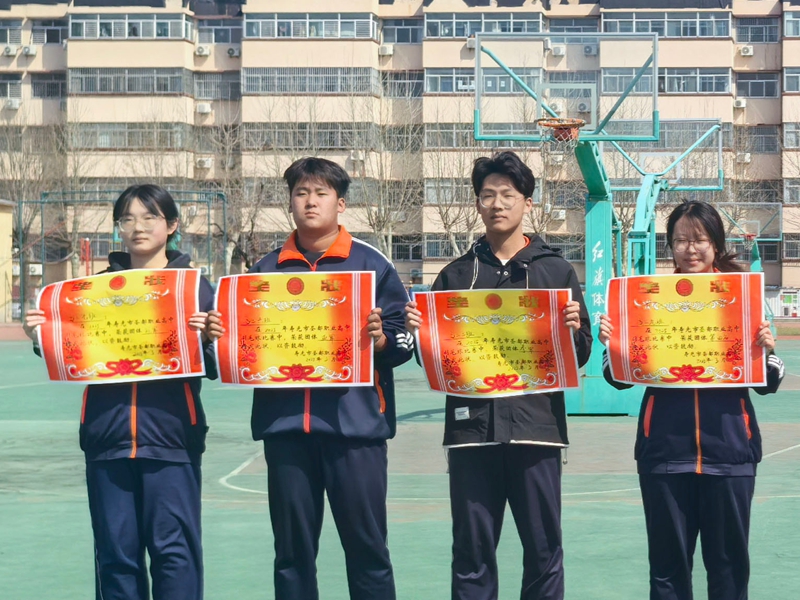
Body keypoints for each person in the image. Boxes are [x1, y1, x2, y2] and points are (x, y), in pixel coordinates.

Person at [207, 157, 414, 600]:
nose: (310, 202)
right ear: (290, 203)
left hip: (355, 431)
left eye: (321, 193)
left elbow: (402, 341)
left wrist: (380, 339)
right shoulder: (264, 272)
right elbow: (237, 349)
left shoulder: (371, 265)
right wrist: (218, 338)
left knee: (368, 550)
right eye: (301, 193)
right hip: (286, 432)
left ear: (341, 203)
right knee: (291, 554)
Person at [405, 150, 592, 600]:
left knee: (543, 550)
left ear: (527, 201)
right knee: (471, 550)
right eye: (488, 195)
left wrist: (572, 331)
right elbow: (436, 364)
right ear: (477, 203)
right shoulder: (455, 276)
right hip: (472, 434)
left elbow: (581, 353)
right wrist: (421, 335)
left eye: (508, 194)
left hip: (537, 431)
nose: (497, 204)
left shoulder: (556, 271)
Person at [23, 184, 217, 600]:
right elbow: (70, 353)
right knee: (115, 555)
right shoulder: (91, 292)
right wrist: (40, 335)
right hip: (106, 439)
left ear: (172, 225)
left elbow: (216, 365)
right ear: (118, 228)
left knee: (175, 554)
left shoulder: (194, 289)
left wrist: (208, 340)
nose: (137, 227)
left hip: (170, 440)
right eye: (127, 219)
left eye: (149, 217)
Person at [597, 200, 785, 600]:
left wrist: (766, 351)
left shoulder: (742, 297)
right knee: (667, 571)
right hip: (665, 453)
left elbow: (768, 381)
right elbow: (618, 379)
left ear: (716, 244)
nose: (690, 249)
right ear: (670, 247)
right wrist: (614, 346)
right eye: (680, 240)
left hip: (730, 454)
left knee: (729, 569)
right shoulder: (647, 301)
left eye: (700, 239)